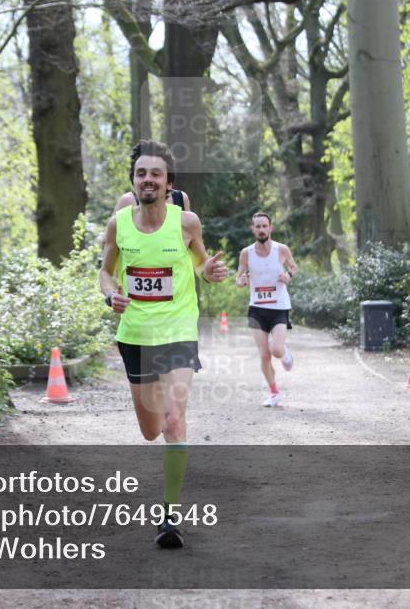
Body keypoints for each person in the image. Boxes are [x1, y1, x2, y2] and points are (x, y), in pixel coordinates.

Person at [99, 140, 227, 549]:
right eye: (141, 173)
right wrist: (111, 295)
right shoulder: (119, 224)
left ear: (169, 182)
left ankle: (169, 515)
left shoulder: (187, 222)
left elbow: (201, 267)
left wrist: (210, 271)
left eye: (156, 173)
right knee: (151, 430)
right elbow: (105, 271)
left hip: (178, 331)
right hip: (135, 335)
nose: (148, 179)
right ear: (133, 181)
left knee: (173, 421)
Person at [235, 212, 299, 407]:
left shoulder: (281, 249)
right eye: (258, 226)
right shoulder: (246, 253)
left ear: (270, 228)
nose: (261, 230)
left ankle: (285, 354)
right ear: (253, 229)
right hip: (257, 308)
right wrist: (241, 281)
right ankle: (274, 393)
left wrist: (288, 276)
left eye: (264, 226)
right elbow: (238, 277)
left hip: (279, 306)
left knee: (276, 349)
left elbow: (294, 268)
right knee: (264, 355)